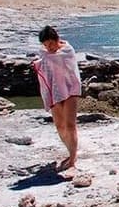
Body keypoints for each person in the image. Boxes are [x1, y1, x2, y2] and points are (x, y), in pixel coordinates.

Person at [32, 25, 82, 171]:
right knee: (60, 125)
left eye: (51, 44)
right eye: (46, 45)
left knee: (70, 124)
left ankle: (73, 158)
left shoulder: (68, 50)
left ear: (57, 39)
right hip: (54, 90)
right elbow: (44, 66)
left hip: (70, 89)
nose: (49, 48)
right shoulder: (44, 54)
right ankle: (70, 151)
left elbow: (71, 70)